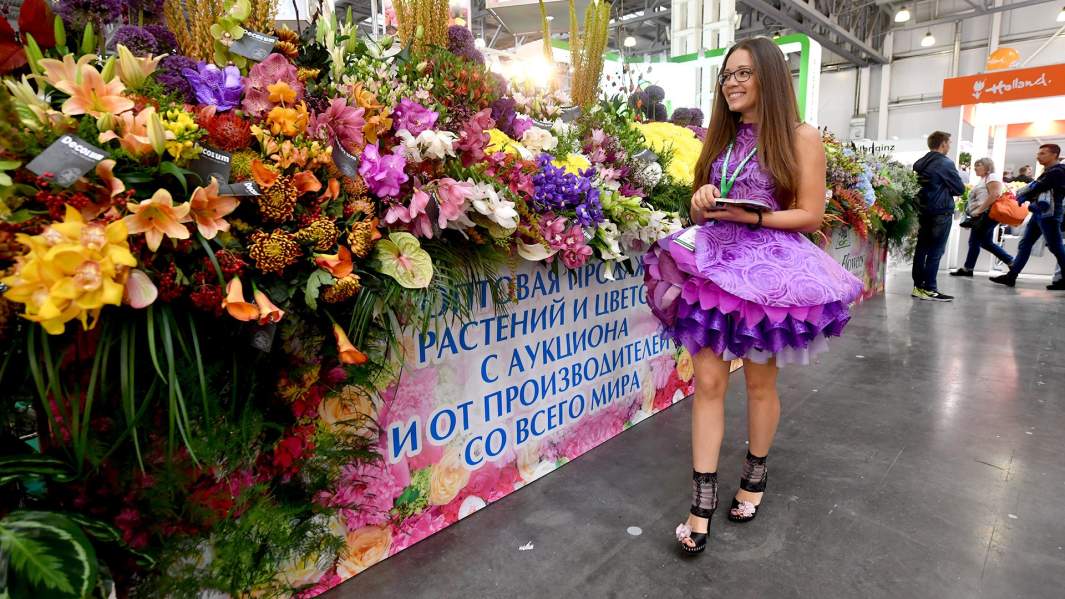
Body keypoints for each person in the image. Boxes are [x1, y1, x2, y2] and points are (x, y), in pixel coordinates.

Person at [641, 37, 863, 555]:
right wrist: (700, 203)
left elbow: (809, 213)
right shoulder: (719, 138)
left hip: (769, 274)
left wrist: (755, 215)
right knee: (710, 383)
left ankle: (755, 478)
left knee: (761, 384)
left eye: (743, 72)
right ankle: (700, 505)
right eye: (726, 75)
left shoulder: (801, 137)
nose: (732, 82)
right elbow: (703, 209)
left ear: (769, 75)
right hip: (714, 268)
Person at [991, 145, 1065, 289]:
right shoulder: (1049, 171)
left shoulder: (1058, 171)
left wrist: (1024, 193)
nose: (1038, 156)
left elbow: (1037, 187)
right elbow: (1036, 187)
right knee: (1026, 244)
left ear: (1054, 155)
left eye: (1043, 153)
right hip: (1040, 213)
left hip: (1049, 215)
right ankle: (1011, 277)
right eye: (1038, 153)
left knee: (1055, 247)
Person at [911, 131, 966, 301]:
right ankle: (930, 289)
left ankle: (918, 287)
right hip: (940, 211)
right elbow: (959, 189)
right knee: (935, 251)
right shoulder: (945, 163)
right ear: (942, 144)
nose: (949, 146)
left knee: (921, 249)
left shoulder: (920, 163)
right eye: (949, 143)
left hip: (923, 211)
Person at [950, 157, 1014, 277]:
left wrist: (979, 210)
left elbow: (995, 194)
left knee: (975, 241)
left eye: (978, 165)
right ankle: (1011, 261)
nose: (975, 168)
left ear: (987, 166)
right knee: (985, 242)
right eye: (975, 165)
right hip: (984, 214)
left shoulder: (992, 177)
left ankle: (968, 268)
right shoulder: (984, 179)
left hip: (987, 214)